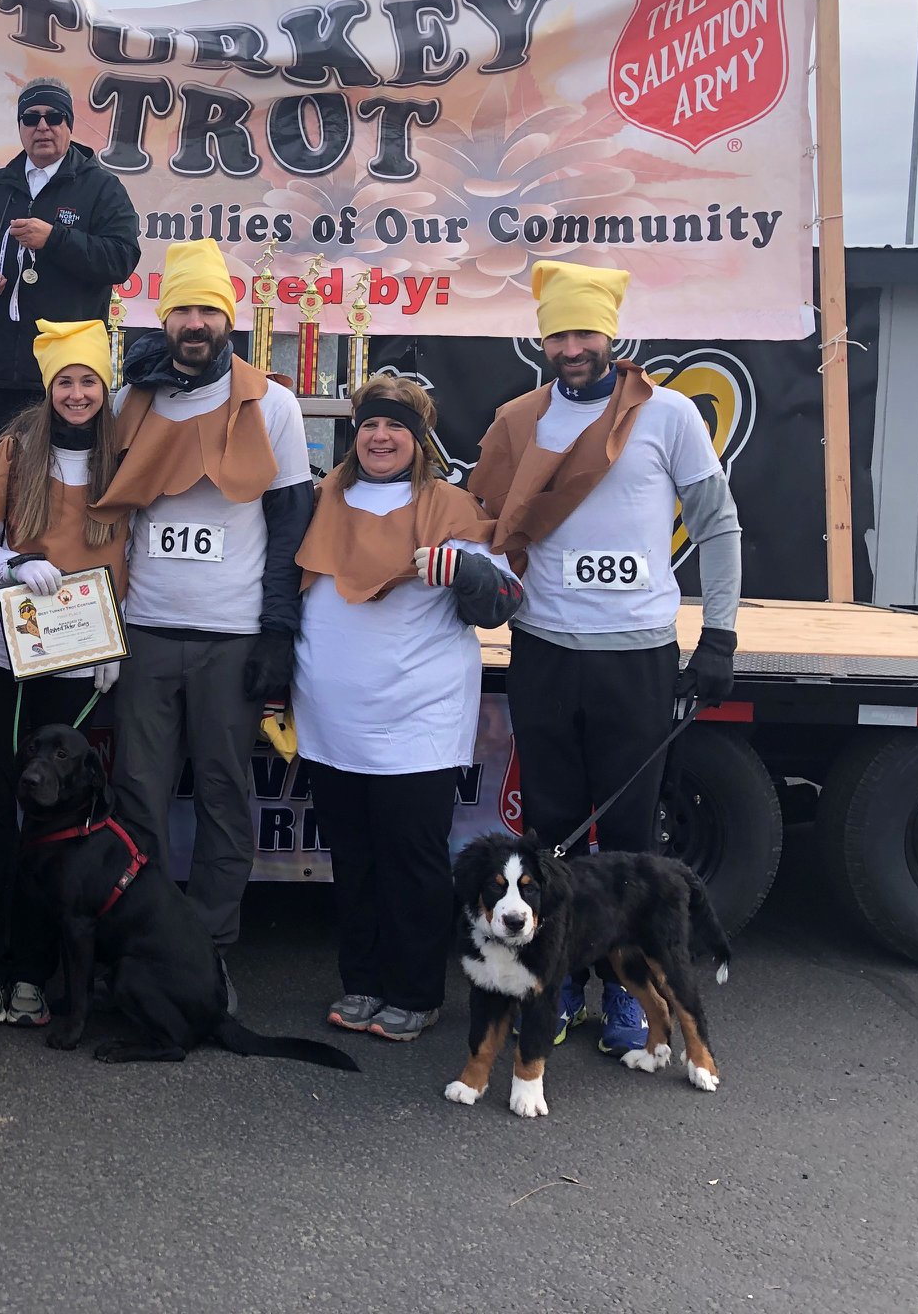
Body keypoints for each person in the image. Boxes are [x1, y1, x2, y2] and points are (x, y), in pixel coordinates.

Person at [469, 260, 742, 1060]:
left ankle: (629, 990)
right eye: (558, 334)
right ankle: (554, 984)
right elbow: (480, 520)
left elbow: (718, 524)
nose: (572, 348)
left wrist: (720, 635)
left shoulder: (670, 415)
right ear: (541, 340)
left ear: (612, 335)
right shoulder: (520, 420)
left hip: (636, 652)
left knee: (628, 838)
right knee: (549, 832)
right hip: (546, 648)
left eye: (585, 332)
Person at [90, 239, 314, 983]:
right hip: (145, 631)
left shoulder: (272, 404)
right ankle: (148, 939)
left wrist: (277, 631)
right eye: (182, 309)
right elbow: (102, 519)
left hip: (232, 635)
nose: (195, 323)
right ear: (164, 317)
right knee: (139, 794)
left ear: (229, 318)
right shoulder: (130, 400)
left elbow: (289, 526)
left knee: (223, 793)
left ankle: (210, 948)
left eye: (208, 311)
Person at [291, 375, 525, 1043]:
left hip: (417, 717)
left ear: (419, 438)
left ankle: (416, 992)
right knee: (353, 859)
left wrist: (467, 570)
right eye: (369, 424)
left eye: (395, 425)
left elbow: (503, 598)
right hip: (332, 718)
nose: (380, 436)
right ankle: (362, 981)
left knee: (412, 860)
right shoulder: (322, 499)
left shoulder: (450, 505)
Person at [0, 318, 127, 1029]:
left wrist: (114, 647)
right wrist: (14, 565)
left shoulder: (125, 459)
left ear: (105, 388)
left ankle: (34, 970)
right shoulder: (15, 451)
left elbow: (135, 560)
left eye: (89, 382)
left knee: (56, 818)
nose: (77, 394)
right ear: (49, 388)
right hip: (4, 657)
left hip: (78, 660)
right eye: (66, 382)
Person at [0, 78, 141, 615]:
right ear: (21, 128)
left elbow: (122, 258)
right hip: (1, 365)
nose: (43, 127)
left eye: (54, 117)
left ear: (70, 125)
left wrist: (56, 240)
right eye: (31, 119)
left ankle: (71, 577)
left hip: (67, 375)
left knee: (63, 481)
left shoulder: (100, 188)